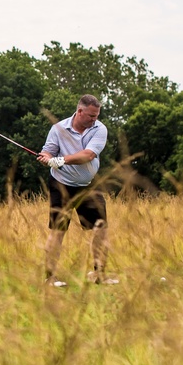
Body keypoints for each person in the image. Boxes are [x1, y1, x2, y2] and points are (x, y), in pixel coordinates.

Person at [37, 94, 117, 287]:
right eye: (91, 115)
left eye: (96, 115)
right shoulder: (58, 129)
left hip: (88, 186)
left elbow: (88, 155)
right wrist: (47, 158)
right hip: (61, 185)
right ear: (80, 111)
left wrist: (63, 160)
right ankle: (49, 278)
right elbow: (48, 150)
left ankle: (99, 275)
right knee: (58, 231)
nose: (94, 119)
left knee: (100, 230)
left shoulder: (99, 129)